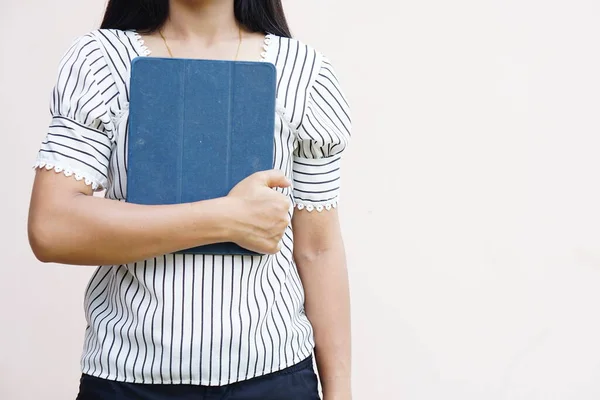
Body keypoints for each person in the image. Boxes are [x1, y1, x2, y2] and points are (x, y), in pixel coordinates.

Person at [28, 0, 352, 399]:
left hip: (275, 377)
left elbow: (318, 250)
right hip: (128, 380)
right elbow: (52, 227)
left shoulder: (305, 73)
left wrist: (340, 392)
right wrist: (227, 219)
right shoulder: (100, 61)